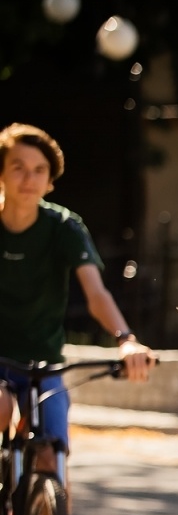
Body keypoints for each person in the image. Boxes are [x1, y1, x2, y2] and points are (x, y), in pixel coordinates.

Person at [0, 123, 153, 483]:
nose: (29, 179)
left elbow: (97, 294)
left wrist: (125, 339)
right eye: (18, 167)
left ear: (50, 181)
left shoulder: (64, 228)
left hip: (44, 363)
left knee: (54, 464)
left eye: (40, 171)